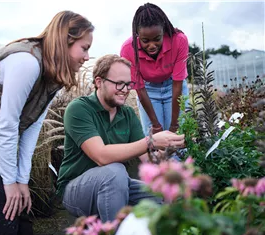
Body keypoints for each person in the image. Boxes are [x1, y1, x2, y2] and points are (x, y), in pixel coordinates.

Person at [0, 11, 94, 235]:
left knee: (21, 214)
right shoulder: (27, 63)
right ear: (66, 41)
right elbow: (6, 127)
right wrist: (9, 182)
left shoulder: (52, 77)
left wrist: (22, 182)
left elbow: (31, 128)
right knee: (2, 217)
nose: (87, 56)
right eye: (84, 48)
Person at [56, 54, 185, 222]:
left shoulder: (127, 114)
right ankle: (115, 233)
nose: (125, 89)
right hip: (76, 189)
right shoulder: (79, 109)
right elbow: (101, 156)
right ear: (99, 82)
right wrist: (151, 141)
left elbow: (147, 158)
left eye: (128, 84)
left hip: (117, 184)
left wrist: (166, 155)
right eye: (119, 83)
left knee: (163, 197)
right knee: (115, 171)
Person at [120, 2, 189, 135]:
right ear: (137, 35)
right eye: (145, 41)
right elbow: (140, 89)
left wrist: (175, 124)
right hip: (148, 91)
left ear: (163, 31)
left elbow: (177, 83)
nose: (152, 45)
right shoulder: (128, 50)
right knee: (154, 139)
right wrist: (155, 125)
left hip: (173, 87)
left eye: (157, 39)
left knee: (179, 137)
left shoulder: (179, 40)